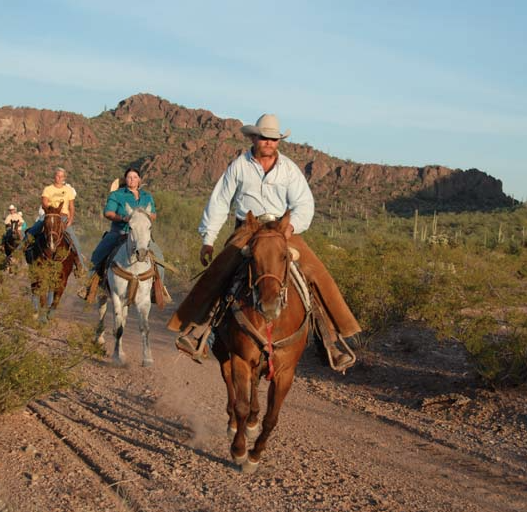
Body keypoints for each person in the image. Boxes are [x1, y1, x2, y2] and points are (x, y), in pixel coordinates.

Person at [167, 113, 360, 370]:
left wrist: (290, 227)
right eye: (263, 137)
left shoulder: (289, 168)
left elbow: (304, 203)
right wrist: (208, 239)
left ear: (278, 141)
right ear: (254, 138)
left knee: (315, 272)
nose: (268, 142)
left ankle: (331, 340)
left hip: (282, 229)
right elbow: (221, 200)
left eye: (273, 138)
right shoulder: (239, 165)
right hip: (248, 229)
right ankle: (198, 330)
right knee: (220, 270)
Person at [80, 167, 165, 300]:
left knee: (159, 256)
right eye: (129, 177)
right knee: (98, 254)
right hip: (119, 232)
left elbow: (153, 214)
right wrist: (123, 218)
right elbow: (108, 213)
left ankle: (159, 290)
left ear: (139, 180)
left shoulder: (147, 196)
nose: (132, 179)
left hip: (141, 235)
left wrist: (144, 216)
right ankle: (90, 287)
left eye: (135, 177)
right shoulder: (117, 195)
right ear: (125, 180)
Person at [23, 167, 86, 275]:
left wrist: (70, 219)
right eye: (57, 176)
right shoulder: (48, 189)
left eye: (61, 176)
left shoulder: (68, 190)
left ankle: (80, 265)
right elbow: (44, 202)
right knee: (32, 231)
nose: (59, 178)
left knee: (73, 239)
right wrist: (51, 211)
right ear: (54, 176)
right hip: (49, 214)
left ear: (64, 178)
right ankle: (17, 255)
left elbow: (71, 206)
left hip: (63, 217)